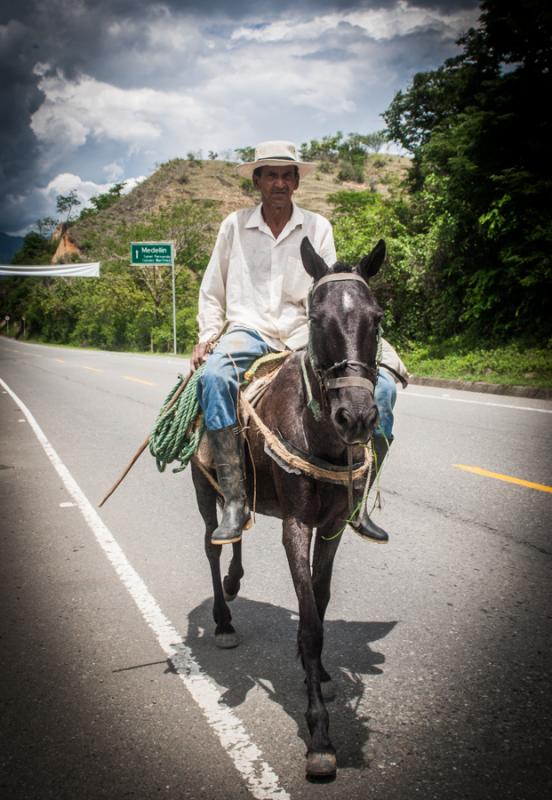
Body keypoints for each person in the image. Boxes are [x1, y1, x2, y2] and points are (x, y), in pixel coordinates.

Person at [191, 140, 407, 546]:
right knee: (215, 378)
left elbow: (331, 294)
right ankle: (235, 500)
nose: (279, 182)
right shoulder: (233, 226)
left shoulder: (318, 227)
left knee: (384, 388)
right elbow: (211, 290)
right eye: (270, 174)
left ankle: (357, 503)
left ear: (296, 182)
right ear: (256, 180)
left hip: (302, 333)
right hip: (247, 330)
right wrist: (207, 337)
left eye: (287, 175)